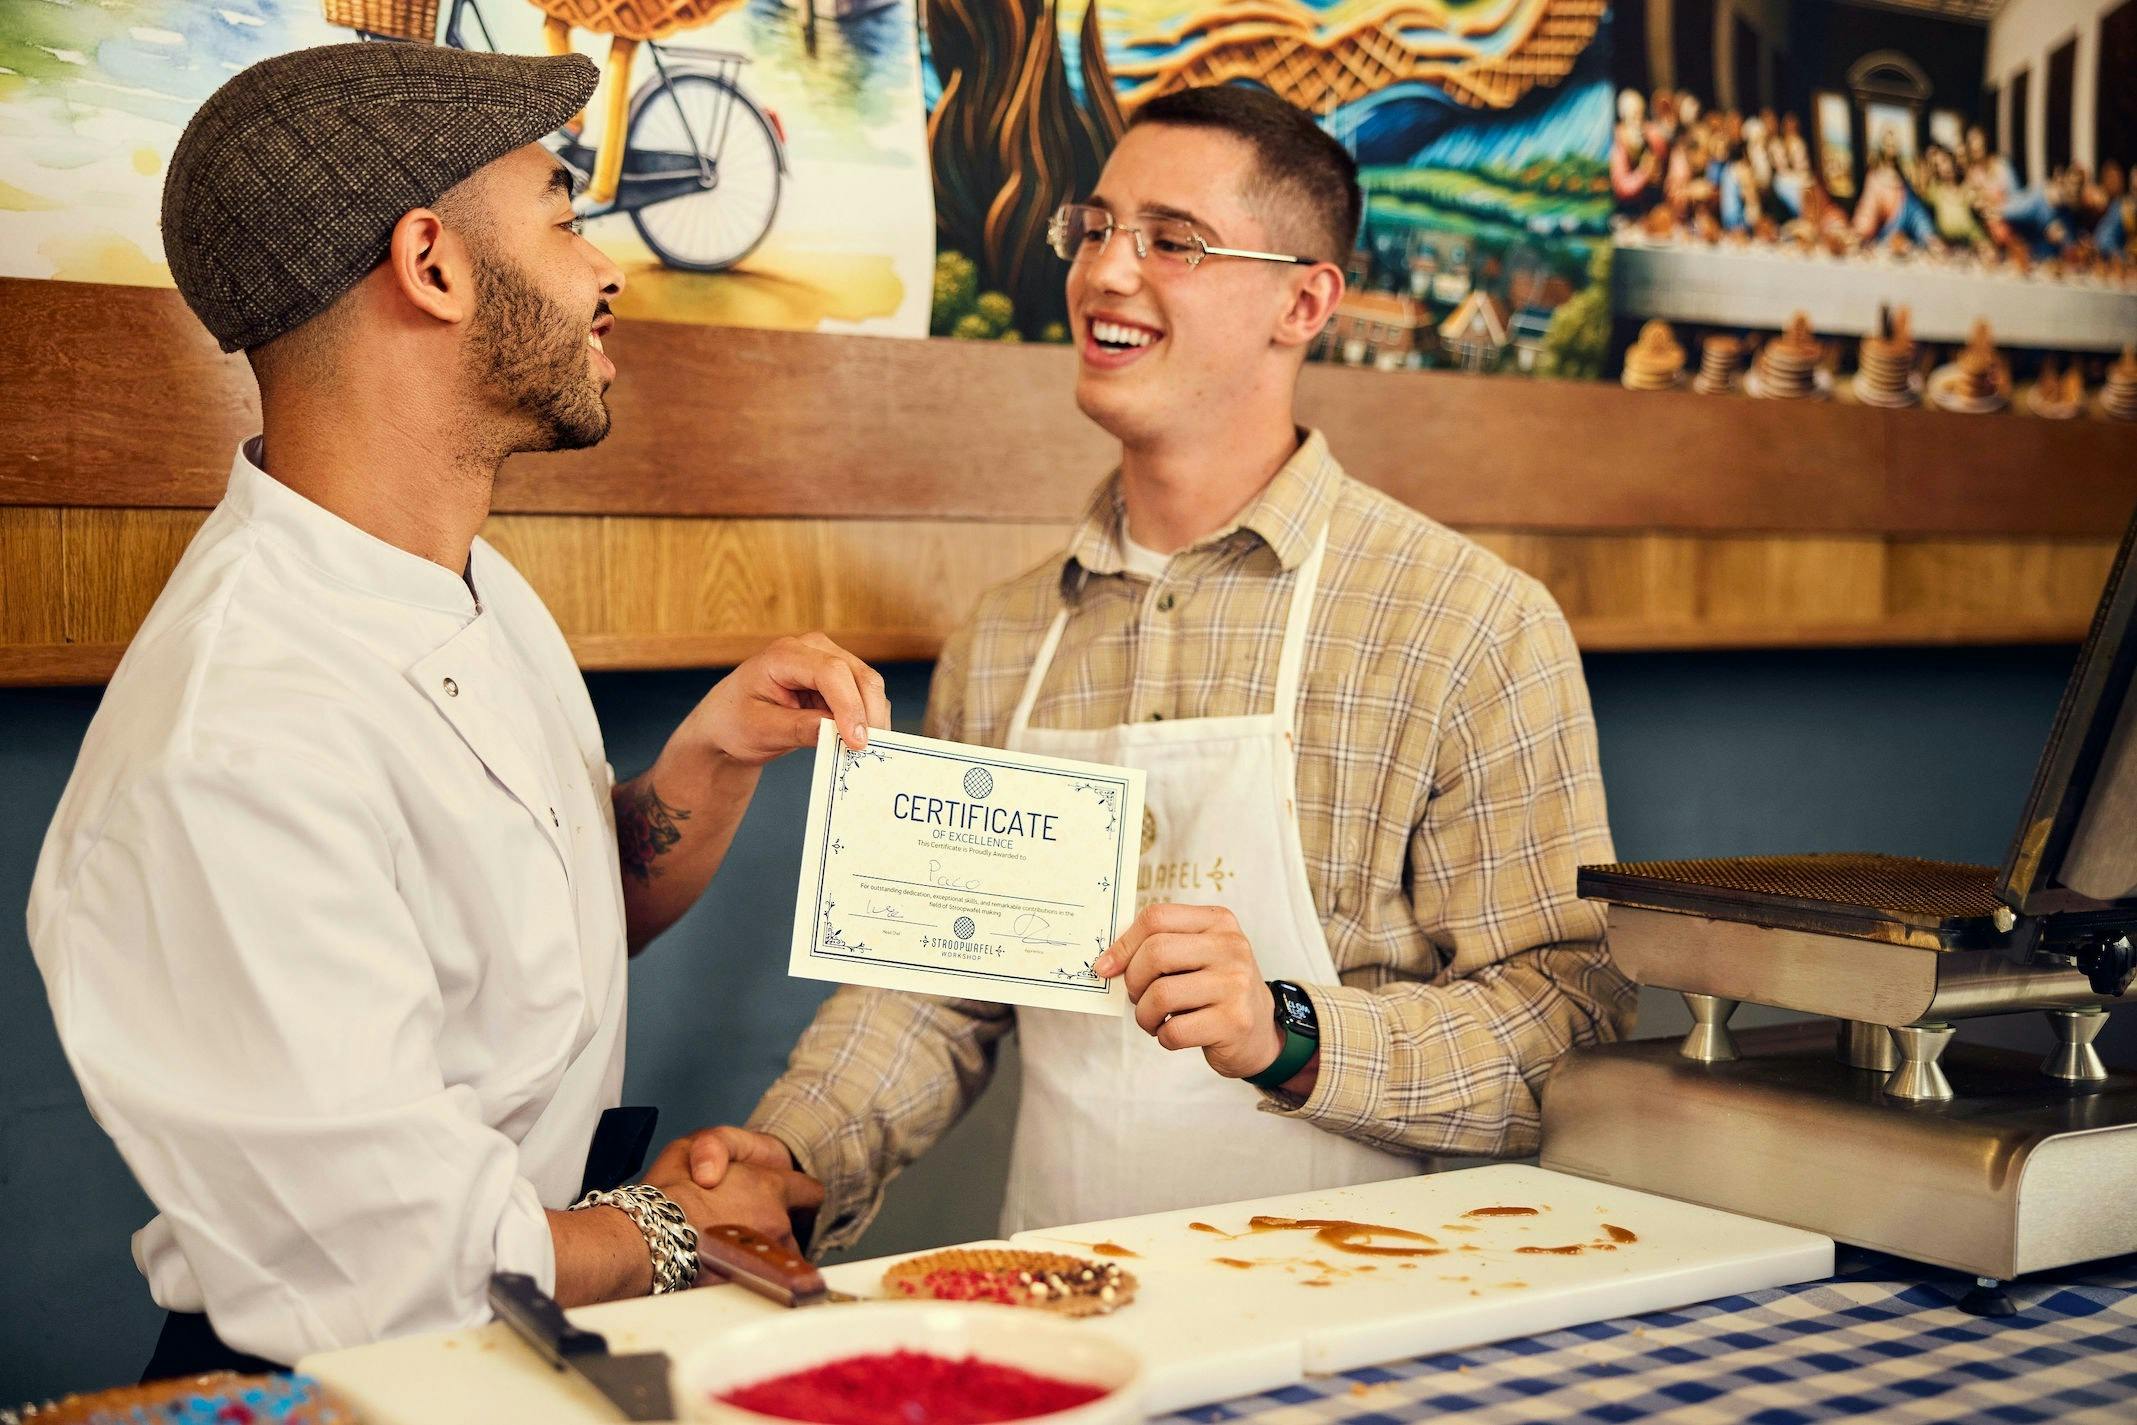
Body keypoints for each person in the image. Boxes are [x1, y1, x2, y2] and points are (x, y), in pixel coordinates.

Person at [27, 43, 870, 1376]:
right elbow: (395, 1257)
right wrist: (674, 1229)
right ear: (431, 265)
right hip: (342, 1383)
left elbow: (541, 935)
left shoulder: (471, 588)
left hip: (503, 1356)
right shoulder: (234, 737)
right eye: (560, 210)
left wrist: (714, 754)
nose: (605, 269)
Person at [694, 85, 1633, 1250]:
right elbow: (934, 990)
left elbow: (1565, 1028)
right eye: (1093, 229)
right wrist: (795, 1153)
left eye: (1170, 241)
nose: (1104, 272)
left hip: (1370, 1320)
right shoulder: (1004, 638)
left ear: (1305, 300)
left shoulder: (1467, 625)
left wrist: (1289, 1034)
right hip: (1066, 1296)